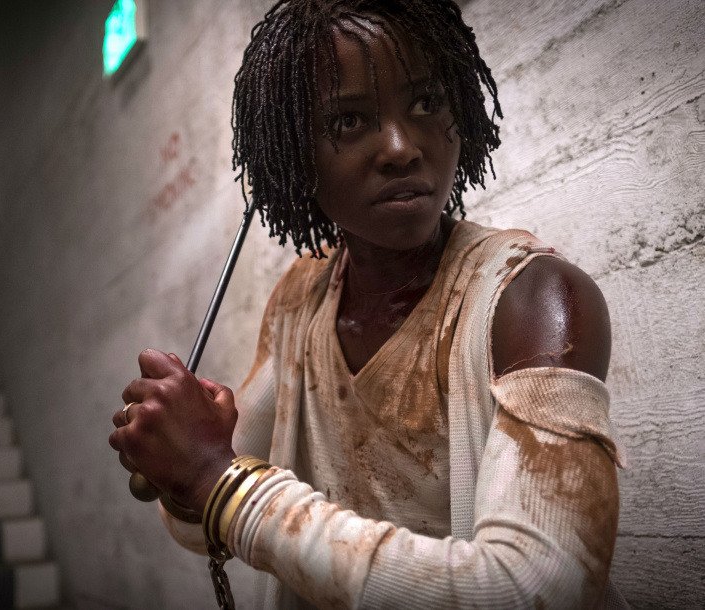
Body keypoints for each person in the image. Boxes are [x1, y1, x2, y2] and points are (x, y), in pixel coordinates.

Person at [109, 1, 626, 607]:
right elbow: (201, 522)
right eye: (349, 121)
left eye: (426, 102)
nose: (402, 147)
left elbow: (542, 589)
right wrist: (183, 464)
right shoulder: (300, 303)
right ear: (294, 158)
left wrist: (213, 479)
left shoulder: (537, 300)